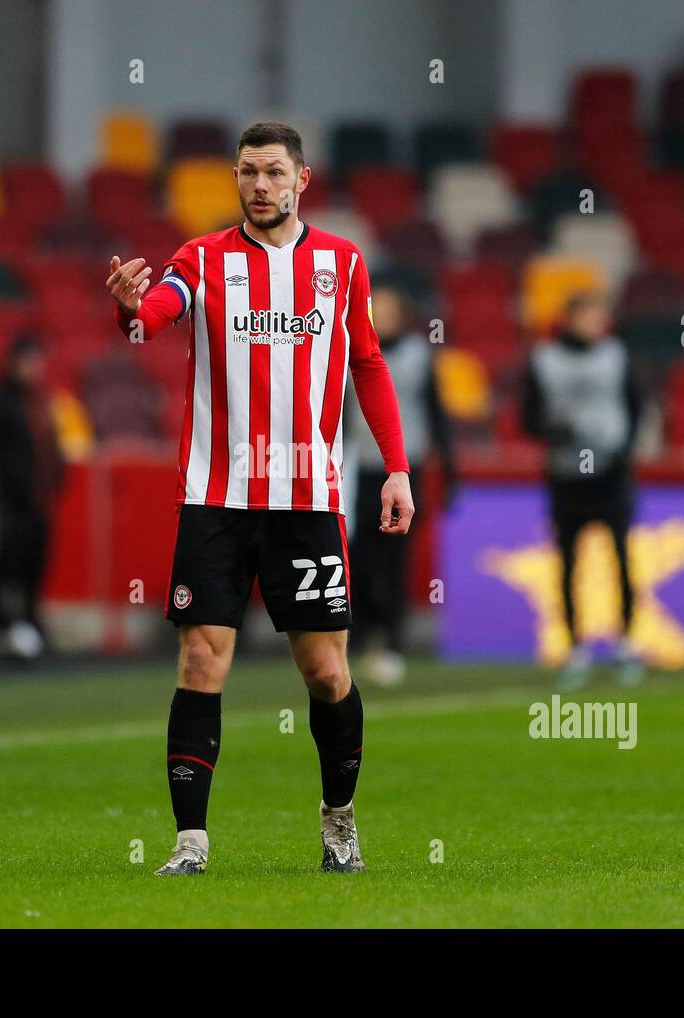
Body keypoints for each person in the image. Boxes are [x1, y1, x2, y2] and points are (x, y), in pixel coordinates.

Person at [106, 122, 413, 876]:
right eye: (248, 172)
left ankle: (338, 821)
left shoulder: (341, 265)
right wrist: (129, 308)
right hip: (216, 498)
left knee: (326, 674)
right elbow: (159, 313)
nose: (260, 186)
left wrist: (397, 468)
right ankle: (191, 841)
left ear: (302, 180)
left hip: (307, 501)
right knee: (201, 659)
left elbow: (368, 365)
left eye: (275, 172)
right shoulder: (202, 260)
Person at [521, 290, 643, 688]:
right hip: (566, 477)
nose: (597, 325)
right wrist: (551, 431)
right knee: (569, 564)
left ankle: (625, 642)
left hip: (611, 476)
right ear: (570, 319)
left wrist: (624, 451)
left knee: (621, 559)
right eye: (590, 317)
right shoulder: (544, 360)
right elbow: (527, 417)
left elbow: (637, 407)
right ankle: (576, 646)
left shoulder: (618, 356)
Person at [343, 272, 457, 686]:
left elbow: (437, 415)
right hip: (358, 470)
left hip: (405, 472)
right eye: (378, 310)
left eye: (391, 311)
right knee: (355, 559)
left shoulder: (418, 357)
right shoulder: (350, 350)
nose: (383, 318)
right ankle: (353, 642)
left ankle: (391, 643)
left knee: (395, 562)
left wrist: (450, 470)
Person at [0, 335, 62, 657]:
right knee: (7, 565)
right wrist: (1, 485)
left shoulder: (40, 404)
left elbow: (51, 449)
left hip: (40, 503)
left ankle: (30, 621)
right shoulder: (0, 406)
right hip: (12, 503)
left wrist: (55, 480)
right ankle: (3, 625)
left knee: (36, 565)